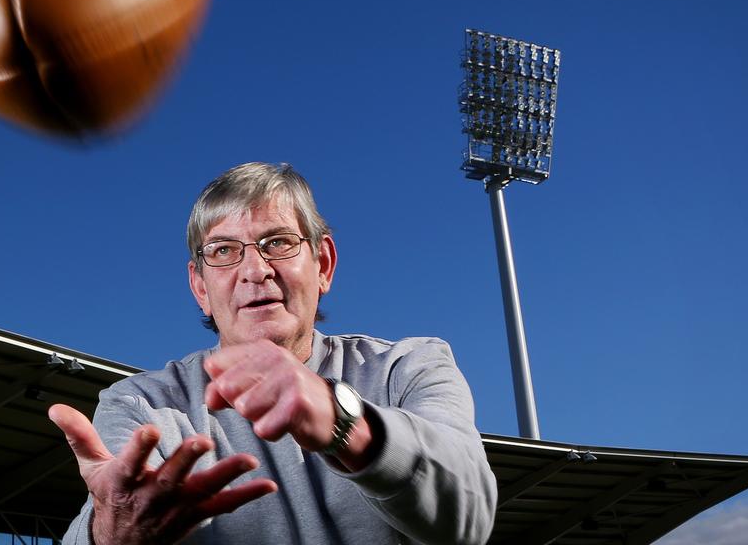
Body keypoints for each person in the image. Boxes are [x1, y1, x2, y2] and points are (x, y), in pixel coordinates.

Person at [49, 163, 496, 544]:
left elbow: (470, 521)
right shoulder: (140, 405)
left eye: (278, 242)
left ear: (323, 264)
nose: (255, 271)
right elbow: (110, 515)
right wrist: (109, 532)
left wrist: (345, 422)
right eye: (224, 251)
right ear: (200, 288)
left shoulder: (409, 367)